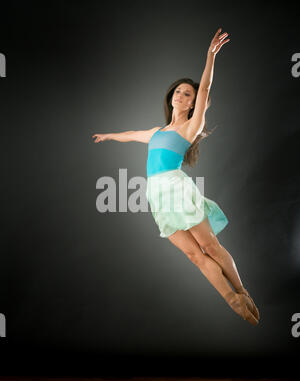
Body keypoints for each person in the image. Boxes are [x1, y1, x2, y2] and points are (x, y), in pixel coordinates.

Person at [92, 28, 260, 326]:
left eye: (188, 94)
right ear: (172, 97)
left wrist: (210, 57)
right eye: (179, 91)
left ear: (194, 104)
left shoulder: (189, 128)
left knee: (210, 247)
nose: (182, 95)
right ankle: (233, 299)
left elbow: (206, 88)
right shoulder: (157, 132)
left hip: (175, 187)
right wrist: (108, 135)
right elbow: (132, 135)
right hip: (156, 195)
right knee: (195, 256)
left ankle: (242, 289)